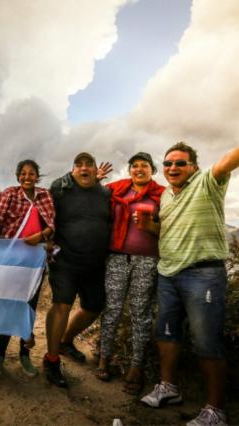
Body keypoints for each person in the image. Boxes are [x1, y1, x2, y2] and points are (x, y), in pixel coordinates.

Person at [140, 142, 239, 426]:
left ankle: (216, 410)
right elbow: (167, 229)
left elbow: (226, 161)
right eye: (168, 163)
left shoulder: (208, 182)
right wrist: (149, 227)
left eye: (180, 163)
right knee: (166, 333)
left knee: (206, 340)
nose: (173, 168)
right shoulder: (166, 197)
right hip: (168, 273)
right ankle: (168, 388)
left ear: (193, 167)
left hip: (203, 273)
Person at [95, 152, 165, 395]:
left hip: (146, 261)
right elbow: (93, 195)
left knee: (140, 313)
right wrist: (96, 179)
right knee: (112, 309)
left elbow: (169, 227)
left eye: (144, 166)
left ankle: (136, 367)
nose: (138, 169)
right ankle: (104, 358)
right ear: (130, 170)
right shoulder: (118, 189)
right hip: (116, 258)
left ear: (152, 170)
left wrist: (150, 226)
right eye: (134, 166)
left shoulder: (162, 194)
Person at [44, 152, 112, 387]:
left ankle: (66, 340)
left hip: (94, 263)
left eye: (88, 165)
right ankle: (51, 360)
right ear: (72, 170)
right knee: (61, 304)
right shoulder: (62, 188)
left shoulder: (105, 193)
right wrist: (47, 240)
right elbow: (46, 211)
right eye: (78, 165)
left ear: (95, 170)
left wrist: (97, 180)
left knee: (94, 306)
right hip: (65, 261)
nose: (83, 168)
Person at [0, 159, 55, 378]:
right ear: (18, 177)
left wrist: (41, 236)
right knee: (11, 305)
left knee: (29, 306)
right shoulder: (9, 194)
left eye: (32, 173)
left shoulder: (45, 196)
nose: (27, 177)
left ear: (38, 176)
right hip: (12, 259)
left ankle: (24, 355)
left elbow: (52, 225)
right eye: (23, 174)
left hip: (35, 261)